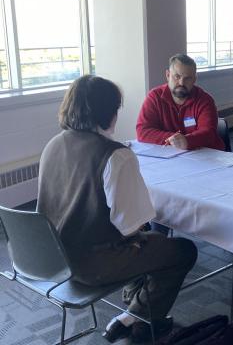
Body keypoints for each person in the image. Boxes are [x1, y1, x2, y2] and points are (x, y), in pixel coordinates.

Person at [37, 75, 197, 343]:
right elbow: (130, 225)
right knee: (182, 250)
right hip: (91, 263)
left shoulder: (53, 145)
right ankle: (140, 317)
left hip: (52, 257)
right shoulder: (115, 155)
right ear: (108, 111)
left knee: (151, 244)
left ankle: (136, 314)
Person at [136, 53, 225, 151]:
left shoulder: (205, 100)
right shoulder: (154, 97)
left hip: (206, 156)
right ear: (168, 75)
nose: (181, 83)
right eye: (177, 77)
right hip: (170, 156)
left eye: (187, 78)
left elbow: (208, 134)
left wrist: (187, 141)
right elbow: (142, 131)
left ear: (194, 79)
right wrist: (175, 139)